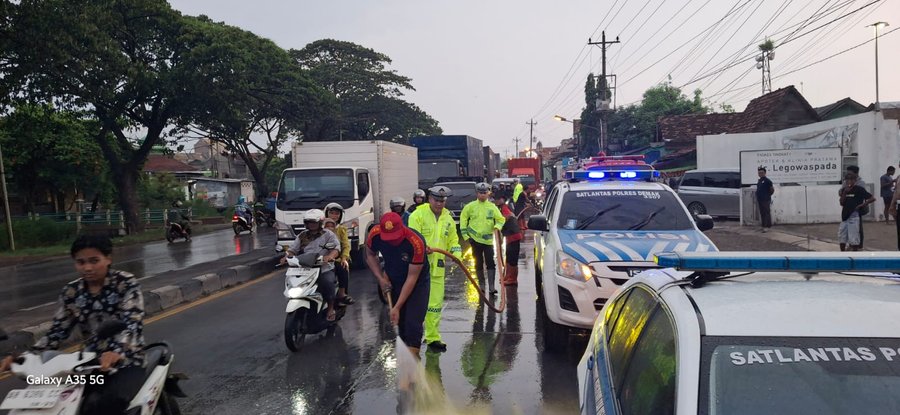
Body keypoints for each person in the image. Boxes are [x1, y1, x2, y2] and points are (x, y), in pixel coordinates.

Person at [1, 235, 146, 414]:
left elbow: (132, 322)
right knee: (50, 396)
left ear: (108, 258)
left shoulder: (125, 283)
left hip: (126, 363)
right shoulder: (71, 292)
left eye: (94, 261)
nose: (87, 268)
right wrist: (23, 357)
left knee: (103, 404)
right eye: (81, 262)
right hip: (88, 366)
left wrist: (117, 352)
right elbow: (56, 332)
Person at [365, 212, 430, 357]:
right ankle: (406, 357)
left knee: (413, 322)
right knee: (401, 323)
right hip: (393, 277)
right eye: (388, 238)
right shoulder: (375, 234)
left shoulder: (416, 241)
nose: (391, 241)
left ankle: (414, 361)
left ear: (402, 229)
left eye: (395, 237)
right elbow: (370, 254)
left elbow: (412, 277)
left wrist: (397, 307)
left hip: (417, 281)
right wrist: (381, 279)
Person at [407, 185, 462, 353]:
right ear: (429, 199)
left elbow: (453, 239)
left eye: (442, 201)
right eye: (437, 200)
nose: (439, 204)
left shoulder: (448, 218)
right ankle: (410, 339)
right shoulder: (418, 215)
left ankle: (433, 337)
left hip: (437, 267)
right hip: (418, 267)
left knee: (435, 305)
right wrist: (423, 247)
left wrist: (456, 254)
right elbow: (412, 237)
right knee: (416, 305)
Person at [284, 209, 341, 321]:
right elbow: (292, 249)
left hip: (324, 268)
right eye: (309, 222)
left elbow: (336, 248)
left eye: (314, 222)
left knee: (328, 282)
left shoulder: (328, 234)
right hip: (305, 268)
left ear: (320, 223)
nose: (312, 224)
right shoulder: (302, 235)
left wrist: (330, 256)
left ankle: (330, 308)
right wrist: (286, 256)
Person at [460, 182, 505, 296]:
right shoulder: (470, 206)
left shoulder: (492, 207)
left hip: (488, 241)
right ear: (477, 193)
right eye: (480, 193)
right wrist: (466, 236)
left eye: (485, 193)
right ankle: (482, 285)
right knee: (478, 262)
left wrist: (497, 227)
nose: (483, 195)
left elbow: (501, 219)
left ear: (488, 193)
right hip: (474, 240)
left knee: (490, 262)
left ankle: (491, 286)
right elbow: (463, 220)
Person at [324, 202, 354, 306]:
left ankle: (342, 294)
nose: (334, 216)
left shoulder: (342, 229)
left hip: (336, 259)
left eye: (337, 214)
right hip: (320, 260)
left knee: (342, 267)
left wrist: (344, 258)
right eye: (332, 213)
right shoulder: (319, 229)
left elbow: (345, 245)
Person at [839, 172, 874, 251]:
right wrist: (845, 192)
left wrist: (862, 205)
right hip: (845, 216)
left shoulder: (859, 189)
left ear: (855, 180)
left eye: (851, 179)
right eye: (847, 180)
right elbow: (841, 202)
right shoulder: (844, 190)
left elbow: (872, 198)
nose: (849, 181)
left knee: (854, 238)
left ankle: (855, 254)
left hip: (854, 217)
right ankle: (842, 254)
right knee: (842, 237)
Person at [495, 194, 523, 286]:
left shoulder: (504, 208)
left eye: (498, 199)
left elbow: (507, 217)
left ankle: (512, 279)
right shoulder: (502, 207)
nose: (497, 201)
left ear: (502, 199)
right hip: (510, 235)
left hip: (513, 235)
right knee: (509, 255)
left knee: (512, 258)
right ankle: (507, 276)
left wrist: (498, 222)